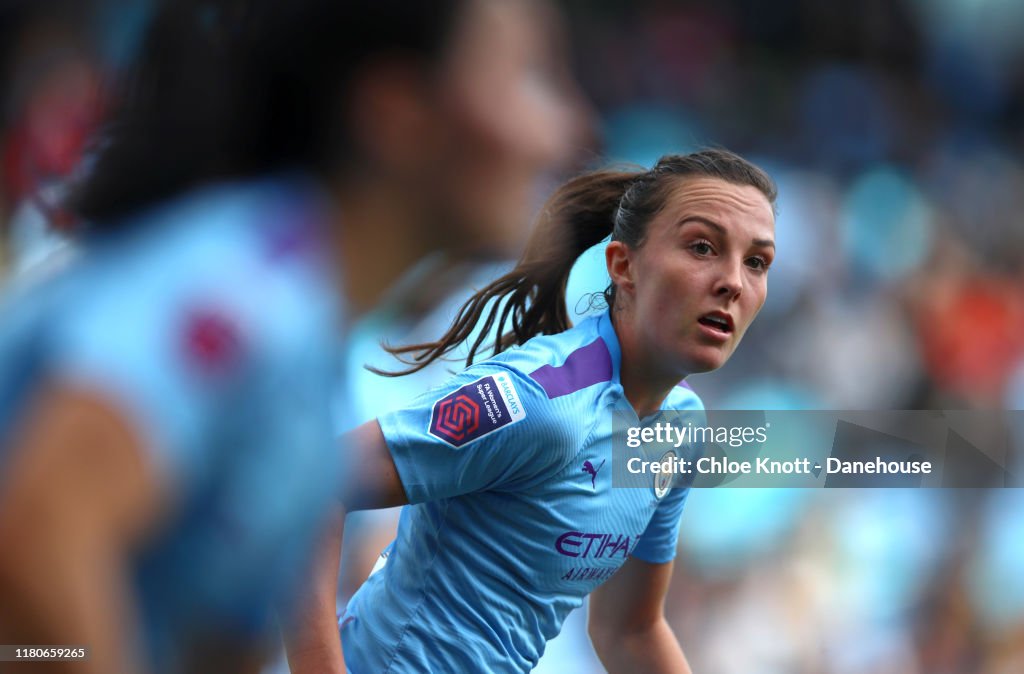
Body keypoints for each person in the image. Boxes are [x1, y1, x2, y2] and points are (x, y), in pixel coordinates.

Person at [0, 0, 587, 672]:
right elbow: (38, 534)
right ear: (398, 113)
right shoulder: (246, 287)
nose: (562, 131)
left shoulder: (316, 362)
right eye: (530, 76)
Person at [292, 148, 778, 672]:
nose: (733, 281)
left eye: (757, 262)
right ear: (624, 265)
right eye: (702, 247)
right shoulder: (535, 399)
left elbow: (629, 630)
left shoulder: (679, 428)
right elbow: (313, 488)